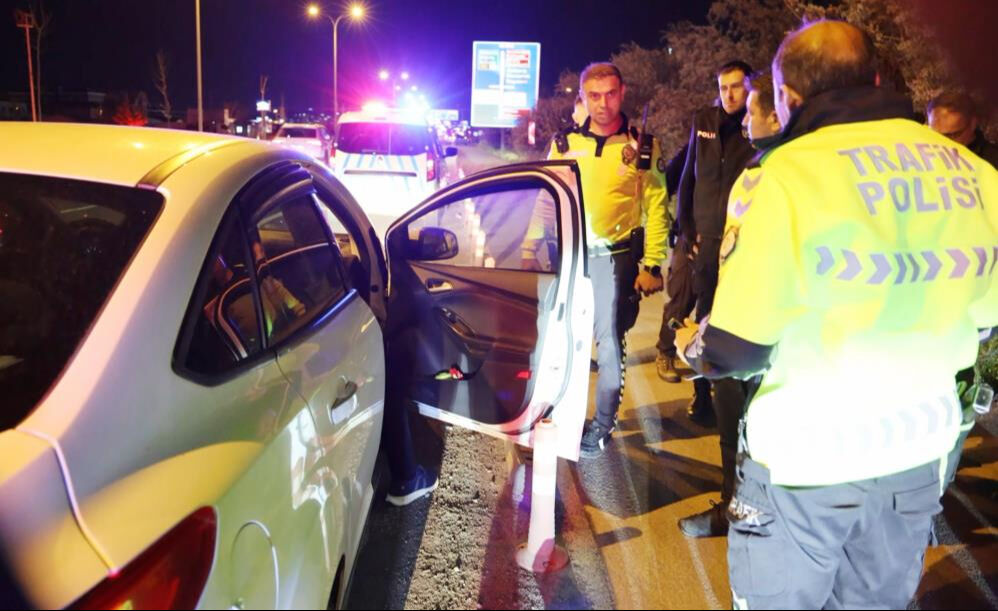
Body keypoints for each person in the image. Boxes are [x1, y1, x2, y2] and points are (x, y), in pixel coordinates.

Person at [676, 20, 998, 608]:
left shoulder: (783, 177)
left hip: (807, 462)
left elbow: (739, 347)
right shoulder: (977, 177)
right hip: (915, 457)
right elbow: (986, 321)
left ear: (789, 98)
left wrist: (692, 349)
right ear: (876, 77)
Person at [530, 62, 668, 458]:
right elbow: (546, 198)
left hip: (615, 259)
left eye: (610, 94)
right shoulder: (563, 142)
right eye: (594, 95)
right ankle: (557, 411)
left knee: (609, 346)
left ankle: (603, 425)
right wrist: (531, 247)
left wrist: (653, 265)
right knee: (560, 340)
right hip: (569, 256)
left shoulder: (643, 147)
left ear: (622, 93)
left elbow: (658, 208)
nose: (603, 103)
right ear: (583, 98)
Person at [667, 60, 756, 428]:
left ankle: (737, 404)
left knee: (738, 321)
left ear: (750, 87)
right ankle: (701, 397)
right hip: (704, 240)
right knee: (704, 320)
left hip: (740, 242)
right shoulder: (703, 121)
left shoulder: (758, 126)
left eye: (737, 87)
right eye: (723, 87)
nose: (730, 95)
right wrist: (685, 227)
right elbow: (688, 176)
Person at [928, 91, 998, 169]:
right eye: (936, 135)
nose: (942, 143)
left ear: (973, 124)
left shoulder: (993, 161)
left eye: (952, 135)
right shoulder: (922, 156)